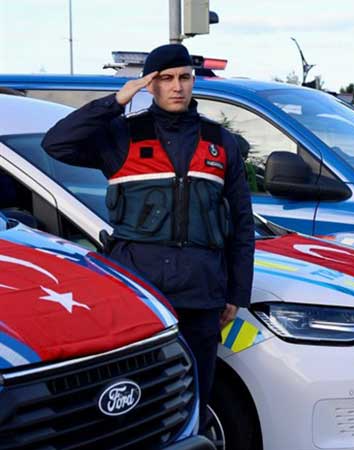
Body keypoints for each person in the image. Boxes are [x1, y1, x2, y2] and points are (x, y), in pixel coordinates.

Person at [42, 44, 254, 431]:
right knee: (133, 402)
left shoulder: (221, 142)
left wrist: (237, 295)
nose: (177, 87)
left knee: (196, 399)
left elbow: (241, 225)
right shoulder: (121, 135)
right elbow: (56, 143)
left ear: (193, 81)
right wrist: (118, 99)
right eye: (165, 78)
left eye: (184, 77)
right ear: (150, 84)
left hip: (201, 294)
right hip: (138, 295)